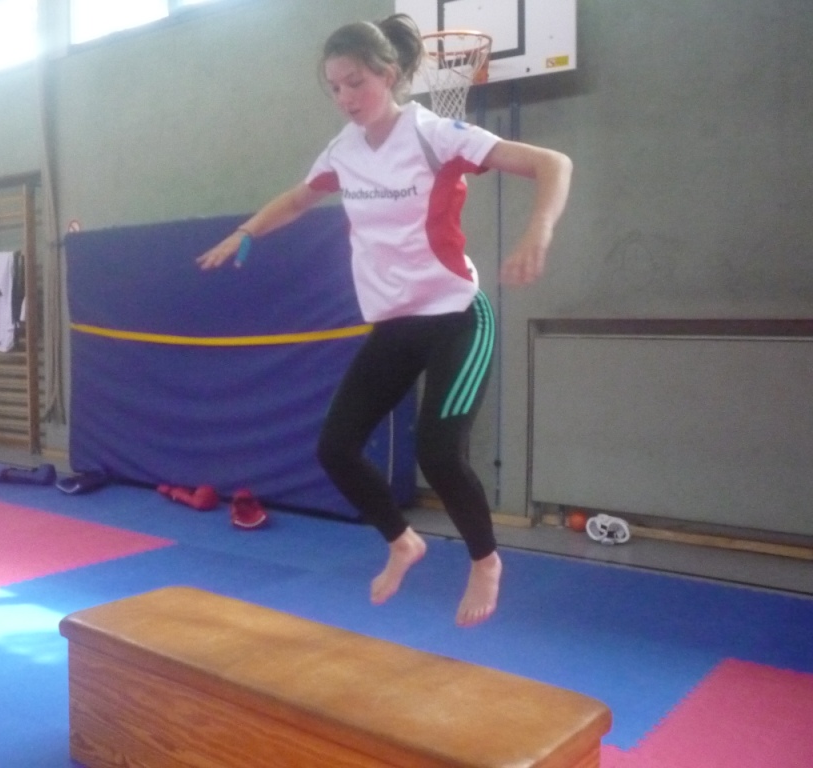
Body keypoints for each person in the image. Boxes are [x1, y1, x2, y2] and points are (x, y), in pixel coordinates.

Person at [198, 13, 572, 626]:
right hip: (395, 325)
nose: (346, 98)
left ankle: (485, 561)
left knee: (439, 452)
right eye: (334, 87)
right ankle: (402, 541)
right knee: (335, 448)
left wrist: (539, 231)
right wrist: (247, 231)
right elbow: (299, 198)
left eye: (356, 83)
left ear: (389, 74)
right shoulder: (343, 151)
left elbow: (553, 163)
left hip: (456, 315)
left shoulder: (433, 135)